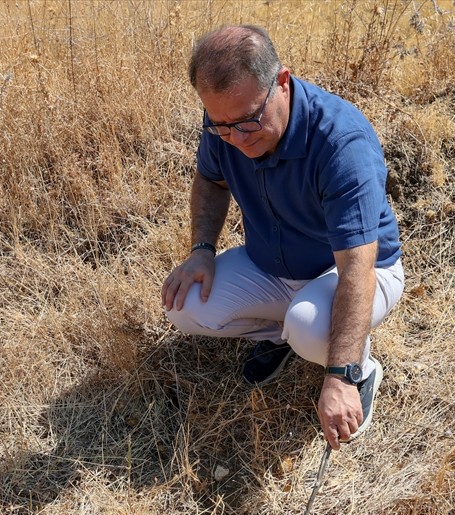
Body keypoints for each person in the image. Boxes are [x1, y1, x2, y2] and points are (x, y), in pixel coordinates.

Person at [161, 24, 404, 451]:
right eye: (221, 126)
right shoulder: (227, 115)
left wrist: (339, 375)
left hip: (354, 271)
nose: (235, 138)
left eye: (249, 122)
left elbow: (357, 267)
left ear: (283, 83)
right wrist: (201, 251)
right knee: (185, 305)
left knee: (310, 327)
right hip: (271, 263)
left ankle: (362, 370)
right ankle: (279, 335)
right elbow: (211, 181)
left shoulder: (342, 142)